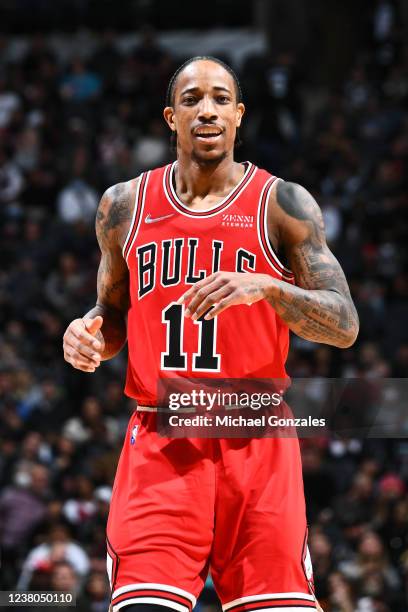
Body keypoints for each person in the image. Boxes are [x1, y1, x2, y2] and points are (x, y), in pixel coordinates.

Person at [63, 56, 359, 612]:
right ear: (171, 116)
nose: (208, 109)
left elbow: (344, 324)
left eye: (222, 98)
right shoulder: (123, 206)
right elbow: (111, 314)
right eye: (194, 98)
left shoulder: (283, 203)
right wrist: (87, 337)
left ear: (239, 116)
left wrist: (268, 288)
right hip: (163, 437)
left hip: (256, 434)